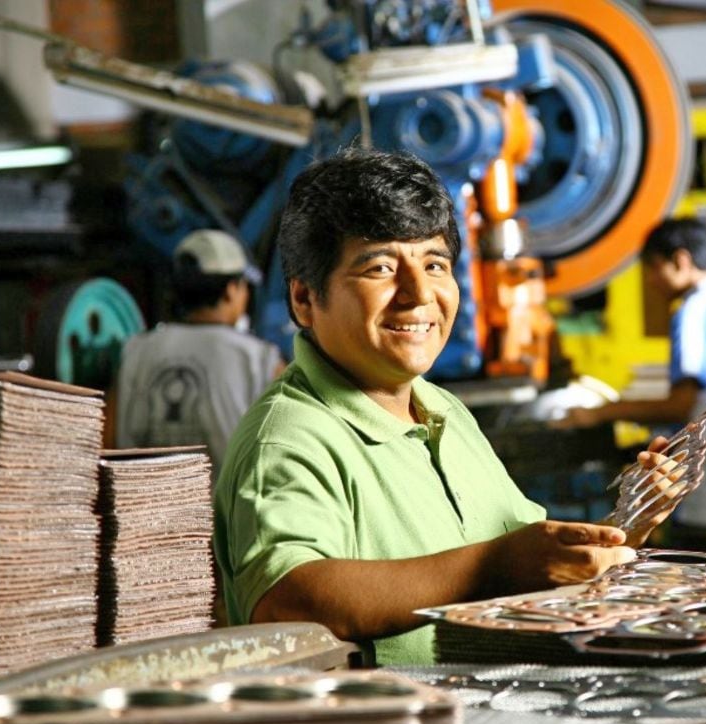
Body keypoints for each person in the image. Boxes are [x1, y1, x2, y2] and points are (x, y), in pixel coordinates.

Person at [213, 148, 677, 666]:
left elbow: (523, 558)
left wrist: (616, 534)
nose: (418, 295)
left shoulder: (444, 410)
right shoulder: (289, 436)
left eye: (435, 264)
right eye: (381, 267)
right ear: (304, 299)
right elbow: (286, 602)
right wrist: (491, 569)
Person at [558, 217, 706, 536]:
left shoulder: (693, 311)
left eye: (654, 268)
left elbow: (680, 406)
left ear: (681, 261)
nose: (651, 282)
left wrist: (598, 413)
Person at [115, 230, 285, 474]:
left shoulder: (134, 352)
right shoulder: (260, 361)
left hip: (145, 510)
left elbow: (108, 439)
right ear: (231, 290)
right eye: (244, 286)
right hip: (225, 513)